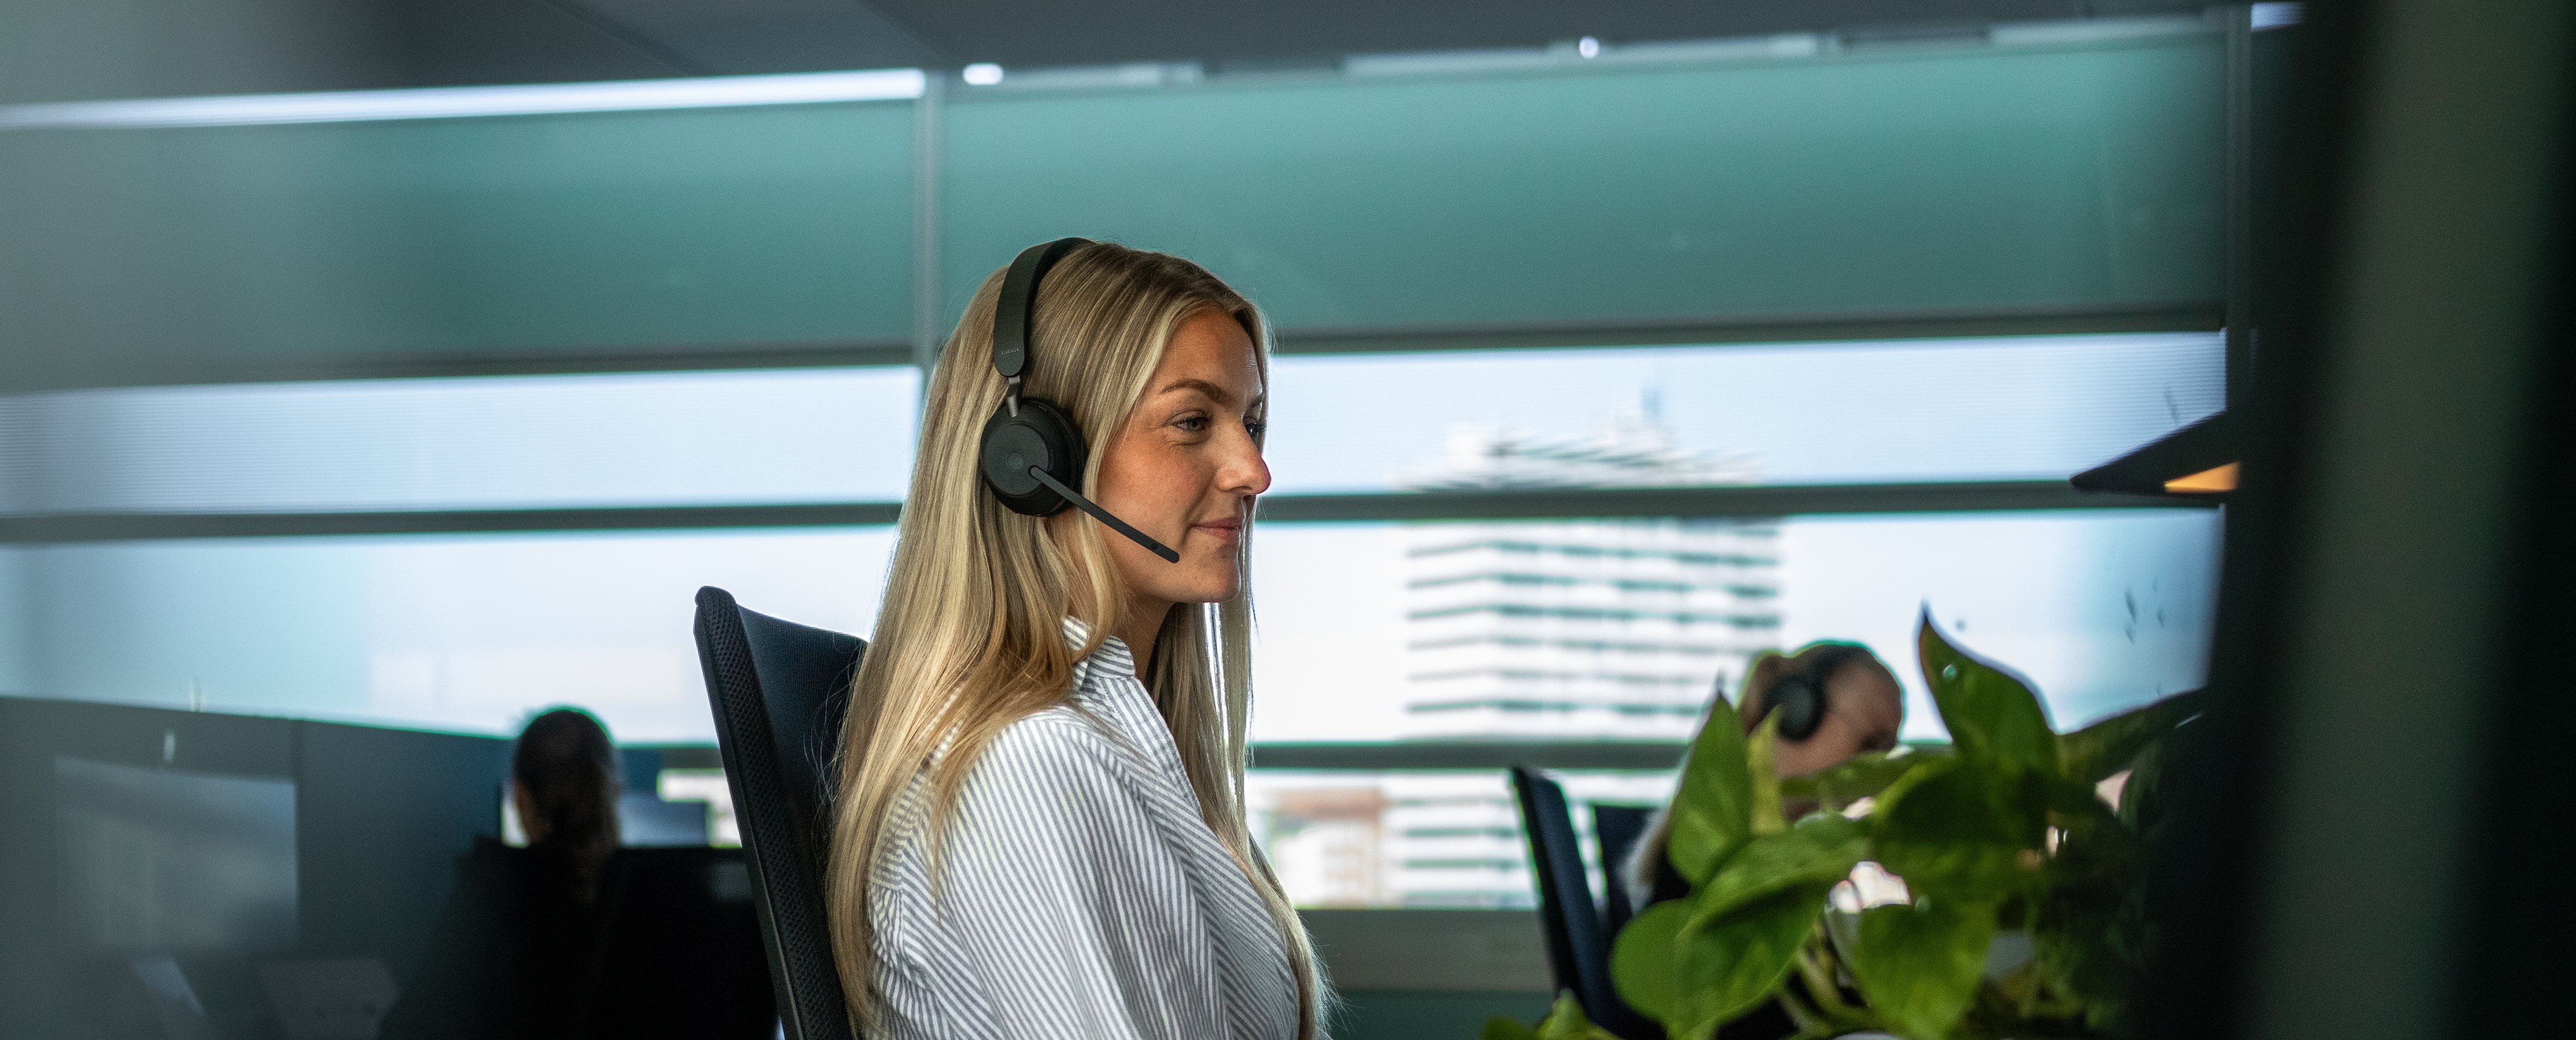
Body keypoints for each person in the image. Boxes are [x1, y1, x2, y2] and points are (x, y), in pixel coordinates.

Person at [823, 241, 1321, 1040]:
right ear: (1031, 460)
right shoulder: (1031, 767)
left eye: (1252, 422)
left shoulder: (1120, 750)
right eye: (1193, 422)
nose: (1253, 470)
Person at [379, 708, 621, 1040]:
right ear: (614, 794)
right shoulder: (668, 904)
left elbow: (409, 1029)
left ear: (522, 800)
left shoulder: (496, 897)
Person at [1624, 642, 1906, 909]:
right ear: (1797, 710)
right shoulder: (1715, 852)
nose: (1882, 769)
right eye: (1873, 744)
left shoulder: (1814, 856)